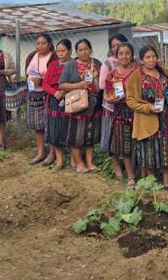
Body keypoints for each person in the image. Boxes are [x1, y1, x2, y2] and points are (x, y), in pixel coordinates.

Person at [126, 45, 168, 189]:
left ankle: (166, 180)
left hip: (165, 116)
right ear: (141, 60)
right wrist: (148, 108)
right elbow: (130, 101)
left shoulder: (163, 73)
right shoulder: (135, 76)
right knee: (149, 150)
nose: (151, 60)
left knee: (165, 148)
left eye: (153, 56)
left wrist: (162, 68)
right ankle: (151, 180)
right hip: (147, 119)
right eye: (147, 57)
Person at [58, 39, 102, 172]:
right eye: (80, 50)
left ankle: (89, 163)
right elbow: (62, 85)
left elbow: (101, 85)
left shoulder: (97, 64)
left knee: (91, 134)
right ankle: (79, 163)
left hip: (93, 104)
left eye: (86, 49)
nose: (83, 52)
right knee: (75, 135)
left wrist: (94, 79)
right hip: (76, 104)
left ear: (91, 50)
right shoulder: (71, 65)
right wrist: (79, 85)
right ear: (76, 52)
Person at [104, 42, 138, 187]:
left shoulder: (138, 71)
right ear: (116, 56)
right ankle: (131, 177)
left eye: (127, 53)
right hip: (120, 113)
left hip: (137, 111)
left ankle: (144, 174)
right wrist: (109, 98)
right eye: (121, 54)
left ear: (132, 55)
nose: (124, 56)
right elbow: (106, 93)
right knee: (125, 145)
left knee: (139, 143)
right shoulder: (112, 74)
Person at [99, 34, 130, 177]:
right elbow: (101, 85)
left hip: (129, 108)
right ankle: (117, 168)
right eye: (113, 46)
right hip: (111, 108)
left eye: (120, 45)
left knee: (127, 139)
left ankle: (130, 168)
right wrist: (110, 97)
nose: (117, 48)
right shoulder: (108, 64)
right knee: (111, 137)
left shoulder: (133, 63)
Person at [43, 39, 74, 170]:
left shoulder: (75, 65)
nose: (60, 54)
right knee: (55, 131)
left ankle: (74, 160)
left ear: (70, 51)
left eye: (64, 51)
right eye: (58, 51)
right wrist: (54, 92)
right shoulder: (53, 65)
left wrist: (67, 91)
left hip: (71, 100)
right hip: (55, 101)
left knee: (71, 130)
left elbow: (79, 82)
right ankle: (59, 161)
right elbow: (45, 84)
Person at [25, 34, 56, 165]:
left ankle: (52, 153)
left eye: (43, 43)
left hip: (48, 95)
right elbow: (27, 72)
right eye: (38, 43)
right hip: (34, 94)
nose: (40, 46)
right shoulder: (32, 56)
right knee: (37, 126)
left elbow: (55, 76)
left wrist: (41, 80)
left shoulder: (53, 57)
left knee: (50, 125)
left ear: (49, 44)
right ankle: (40, 152)